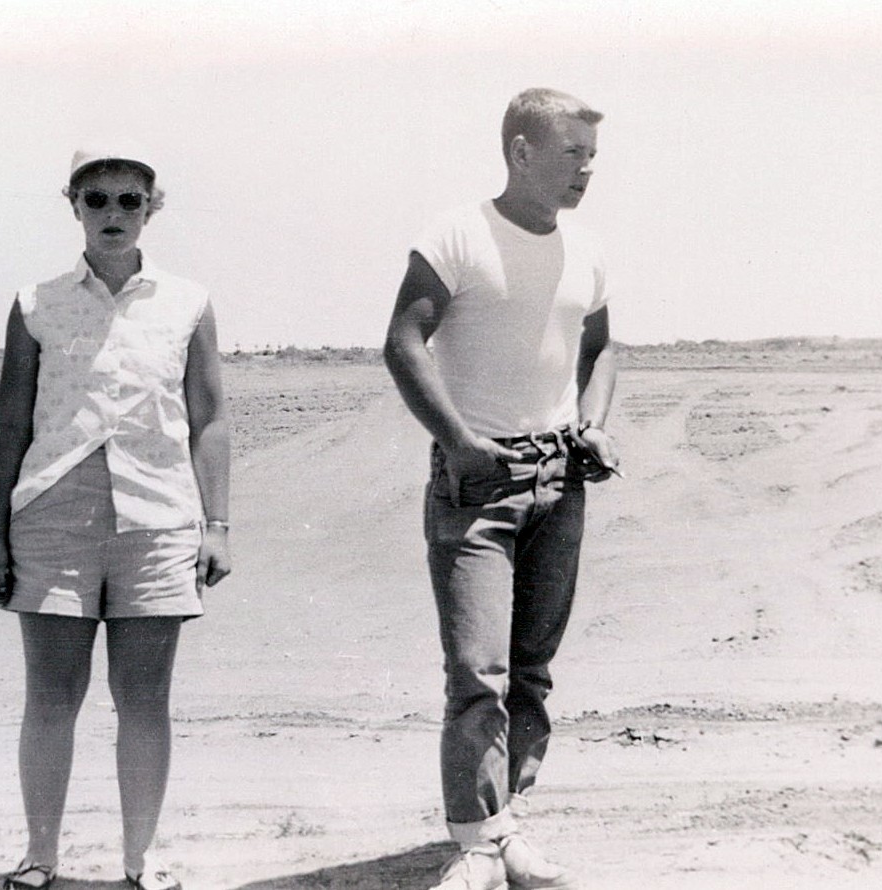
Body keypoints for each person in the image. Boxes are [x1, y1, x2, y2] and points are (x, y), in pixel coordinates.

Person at [0, 146, 231, 890]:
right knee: (52, 697)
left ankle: (139, 861)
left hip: (158, 517)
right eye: (96, 199)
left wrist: (217, 524)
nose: (113, 213)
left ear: (152, 208)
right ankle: (40, 857)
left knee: (144, 701)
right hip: (54, 514)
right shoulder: (36, 303)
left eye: (129, 200)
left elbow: (210, 418)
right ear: (74, 206)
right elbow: (9, 421)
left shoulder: (188, 302)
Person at [383, 88, 619, 890]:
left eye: (591, 156)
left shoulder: (585, 250)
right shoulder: (457, 235)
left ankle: (506, 824)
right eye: (571, 152)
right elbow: (402, 341)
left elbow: (600, 347)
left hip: (561, 475)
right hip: (477, 480)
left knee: (530, 673)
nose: (585, 170)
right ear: (521, 151)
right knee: (476, 673)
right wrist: (458, 441)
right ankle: (475, 844)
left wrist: (592, 423)